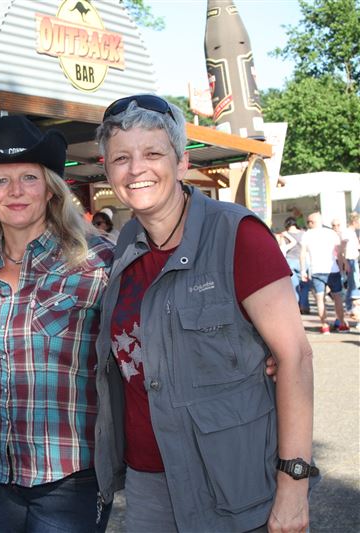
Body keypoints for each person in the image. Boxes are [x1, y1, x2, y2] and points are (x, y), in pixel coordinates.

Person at [94, 94, 316, 532]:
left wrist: (294, 487)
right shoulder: (125, 247)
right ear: (108, 170)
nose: (136, 169)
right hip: (149, 483)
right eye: (121, 158)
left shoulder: (238, 235)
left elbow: (295, 357)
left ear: (182, 163)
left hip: (232, 485)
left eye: (153, 153)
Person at [0, 115, 114, 532]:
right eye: (0, 180)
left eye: (29, 177)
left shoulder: (97, 263)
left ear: (50, 189)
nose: (15, 191)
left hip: (71, 474)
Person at [300, 212, 348, 333]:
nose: (308, 224)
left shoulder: (307, 234)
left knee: (320, 299)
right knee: (337, 298)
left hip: (316, 271)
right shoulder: (331, 233)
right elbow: (339, 253)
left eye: (308, 222)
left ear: (312, 222)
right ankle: (342, 324)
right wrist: (341, 268)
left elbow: (302, 254)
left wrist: (302, 270)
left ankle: (324, 325)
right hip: (333, 270)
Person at [278, 217, 311, 314]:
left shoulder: (284, 234)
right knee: (305, 286)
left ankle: (296, 308)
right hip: (303, 262)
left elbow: (282, 249)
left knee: (293, 287)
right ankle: (304, 306)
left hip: (290, 262)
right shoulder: (303, 233)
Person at [333, 217, 360, 321]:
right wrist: (344, 263)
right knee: (352, 286)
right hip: (349, 260)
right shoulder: (347, 232)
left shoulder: (352, 232)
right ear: (354, 221)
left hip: (352, 259)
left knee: (352, 285)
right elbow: (342, 249)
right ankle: (350, 308)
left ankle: (350, 308)